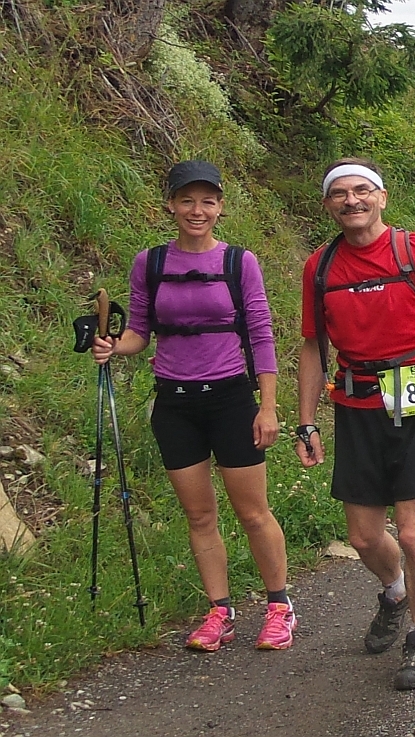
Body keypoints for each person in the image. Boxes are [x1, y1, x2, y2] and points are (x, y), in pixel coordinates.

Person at [91, 160, 295, 651]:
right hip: (174, 404)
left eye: (207, 201)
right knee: (200, 516)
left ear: (220, 207)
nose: (196, 210)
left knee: (253, 513)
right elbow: (139, 331)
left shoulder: (238, 262)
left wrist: (267, 408)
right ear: (170, 205)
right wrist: (112, 346)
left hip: (230, 400)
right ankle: (219, 612)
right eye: (187, 200)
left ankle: (279, 608)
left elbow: (262, 336)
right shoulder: (151, 263)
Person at [295, 158, 415, 691]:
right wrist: (306, 422)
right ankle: (394, 591)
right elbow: (313, 345)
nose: (351, 201)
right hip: (356, 407)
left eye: (362, 191)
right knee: (364, 536)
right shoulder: (320, 268)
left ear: (382, 196)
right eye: (339, 195)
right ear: (328, 205)